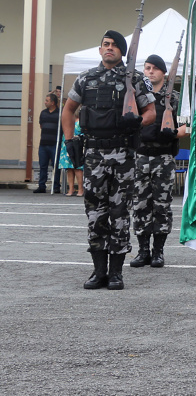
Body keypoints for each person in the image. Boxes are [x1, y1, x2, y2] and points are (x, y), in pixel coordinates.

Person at [61, 30, 155, 291]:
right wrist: (69, 140)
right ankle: (98, 271)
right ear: (100, 49)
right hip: (93, 155)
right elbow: (68, 110)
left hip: (123, 155)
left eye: (114, 45)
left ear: (122, 51)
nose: (109, 48)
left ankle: (116, 273)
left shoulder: (135, 79)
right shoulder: (86, 78)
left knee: (120, 213)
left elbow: (151, 112)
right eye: (105, 44)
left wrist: (137, 121)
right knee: (95, 213)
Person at [130, 55, 187, 269]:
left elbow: (187, 125)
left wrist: (174, 133)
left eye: (155, 68)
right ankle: (143, 250)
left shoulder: (174, 98)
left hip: (163, 157)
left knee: (162, 205)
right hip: (140, 156)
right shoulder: (137, 96)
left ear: (164, 72)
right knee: (140, 205)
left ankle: (158, 251)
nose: (150, 71)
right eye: (147, 68)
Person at [35, 93, 62, 194]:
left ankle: (56, 186)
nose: (45, 102)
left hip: (55, 144)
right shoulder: (43, 113)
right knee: (43, 166)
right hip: (43, 144)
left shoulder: (59, 113)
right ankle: (41, 186)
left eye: (47, 101)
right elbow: (41, 125)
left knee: (56, 166)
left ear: (53, 102)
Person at [59, 118, 84, 196]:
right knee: (69, 168)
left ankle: (81, 189)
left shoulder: (81, 121)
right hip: (66, 144)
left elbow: (84, 133)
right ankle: (71, 189)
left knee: (77, 168)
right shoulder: (68, 120)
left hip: (77, 145)